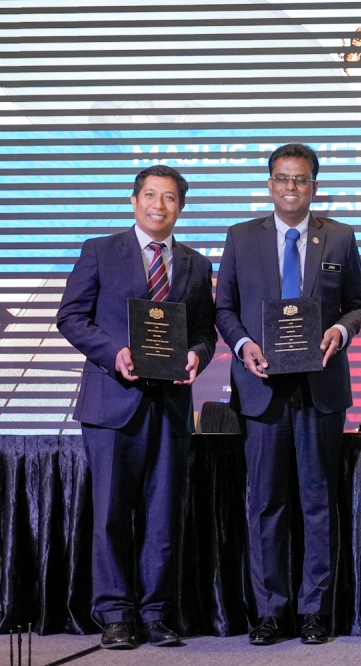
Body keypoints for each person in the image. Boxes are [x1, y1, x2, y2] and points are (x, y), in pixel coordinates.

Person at [57, 165, 216, 650]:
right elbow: (71, 316)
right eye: (150, 195)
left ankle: (156, 613)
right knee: (110, 514)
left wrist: (197, 355)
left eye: (169, 198)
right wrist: (113, 353)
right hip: (111, 403)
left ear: (181, 207)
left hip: (169, 406)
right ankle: (116, 615)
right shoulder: (100, 250)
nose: (158, 206)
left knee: (164, 514)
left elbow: (205, 332)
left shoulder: (194, 263)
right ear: (133, 200)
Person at [214, 144, 361, 645]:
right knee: (265, 504)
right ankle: (269, 612)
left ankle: (314, 612)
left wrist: (339, 334)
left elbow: (356, 306)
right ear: (269, 184)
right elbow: (225, 309)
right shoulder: (240, 237)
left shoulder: (339, 237)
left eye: (301, 180)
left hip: (320, 388)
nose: (290, 188)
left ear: (314, 186)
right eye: (282, 178)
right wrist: (242, 345)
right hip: (261, 389)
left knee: (318, 501)